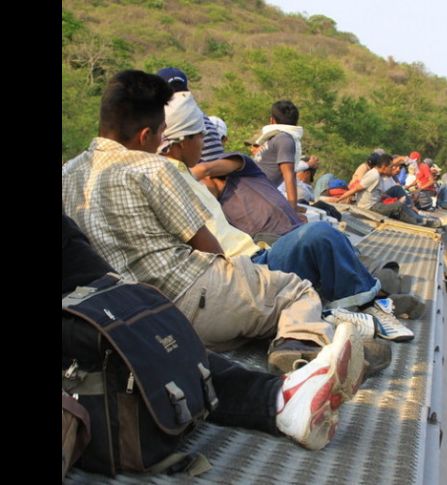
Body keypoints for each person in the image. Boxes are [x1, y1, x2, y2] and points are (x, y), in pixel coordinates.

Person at [61, 70, 375, 376]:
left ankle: (298, 330)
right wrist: (241, 279)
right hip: (188, 295)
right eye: (159, 134)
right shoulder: (153, 168)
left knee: (257, 300)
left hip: (130, 315)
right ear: (146, 136)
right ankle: (300, 348)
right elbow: (208, 249)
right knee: (296, 290)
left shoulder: (68, 173)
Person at [62, 211, 362, 451]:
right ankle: (297, 355)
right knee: (298, 281)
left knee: (118, 322)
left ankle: (282, 394)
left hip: (139, 301)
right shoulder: (152, 169)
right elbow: (212, 251)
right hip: (180, 293)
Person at [157, 91, 413, 344]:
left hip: (261, 252)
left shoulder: (231, 170)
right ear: (182, 142)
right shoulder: (173, 181)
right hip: (247, 267)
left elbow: (209, 169)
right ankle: (370, 301)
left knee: (324, 239)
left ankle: (371, 299)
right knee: (321, 236)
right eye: (200, 136)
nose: (203, 143)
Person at [332, 154, 440, 228]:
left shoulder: (380, 174)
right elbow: (356, 188)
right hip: (371, 206)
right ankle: (420, 221)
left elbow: (394, 163)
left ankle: (418, 214)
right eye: (391, 167)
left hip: (377, 201)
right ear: (383, 167)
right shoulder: (374, 175)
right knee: (399, 206)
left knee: (397, 189)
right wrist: (339, 199)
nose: (392, 169)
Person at [249, 100, 305, 213]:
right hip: (254, 194)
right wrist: (292, 211)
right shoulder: (285, 139)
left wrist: (292, 206)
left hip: (255, 191)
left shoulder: (278, 138)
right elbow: (289, 174)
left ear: (272, 120)